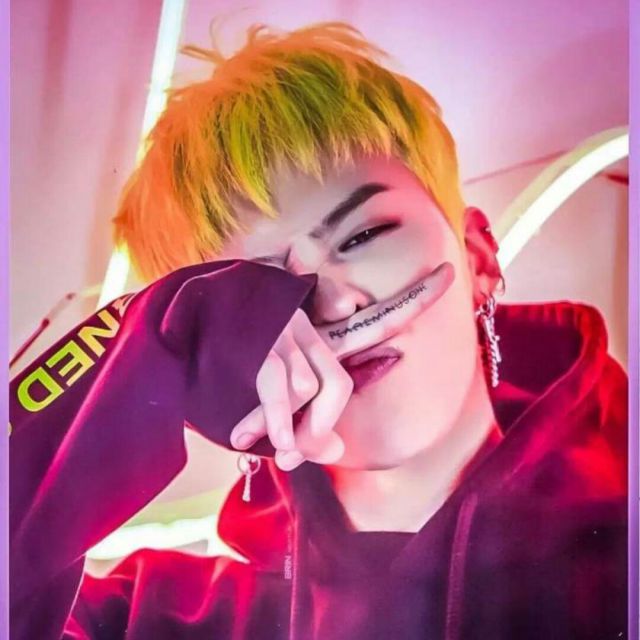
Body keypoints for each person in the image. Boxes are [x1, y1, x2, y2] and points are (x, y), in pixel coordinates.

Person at [9, 22, 627, 640]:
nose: (335, 303)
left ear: (478, 257)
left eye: (364, 235)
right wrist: (145, 349)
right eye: (259, 289)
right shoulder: (146, 620)